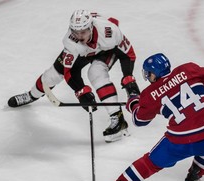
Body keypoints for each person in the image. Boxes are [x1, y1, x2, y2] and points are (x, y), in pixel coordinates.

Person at [103, 53, 204, 181]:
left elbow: (139, 120)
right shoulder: (189, 69)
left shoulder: (150, 94)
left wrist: (133, 102)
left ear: (152, 74)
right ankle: (195, 174)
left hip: (182, 141)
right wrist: (200, 91)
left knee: (149, 163)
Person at [7, 9, 140, 143]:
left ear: (91, 27)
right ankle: (31, 95)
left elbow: (128, 54)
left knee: (96, 72)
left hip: (105, 50)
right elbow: (69, 72)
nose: (79, 36)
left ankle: (118, 119)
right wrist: (81, 91)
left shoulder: (109, 32)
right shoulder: (71, 42)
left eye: (83, 32)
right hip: (83, 53)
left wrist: (128, 77)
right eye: (75, 32)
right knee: (50, 76)